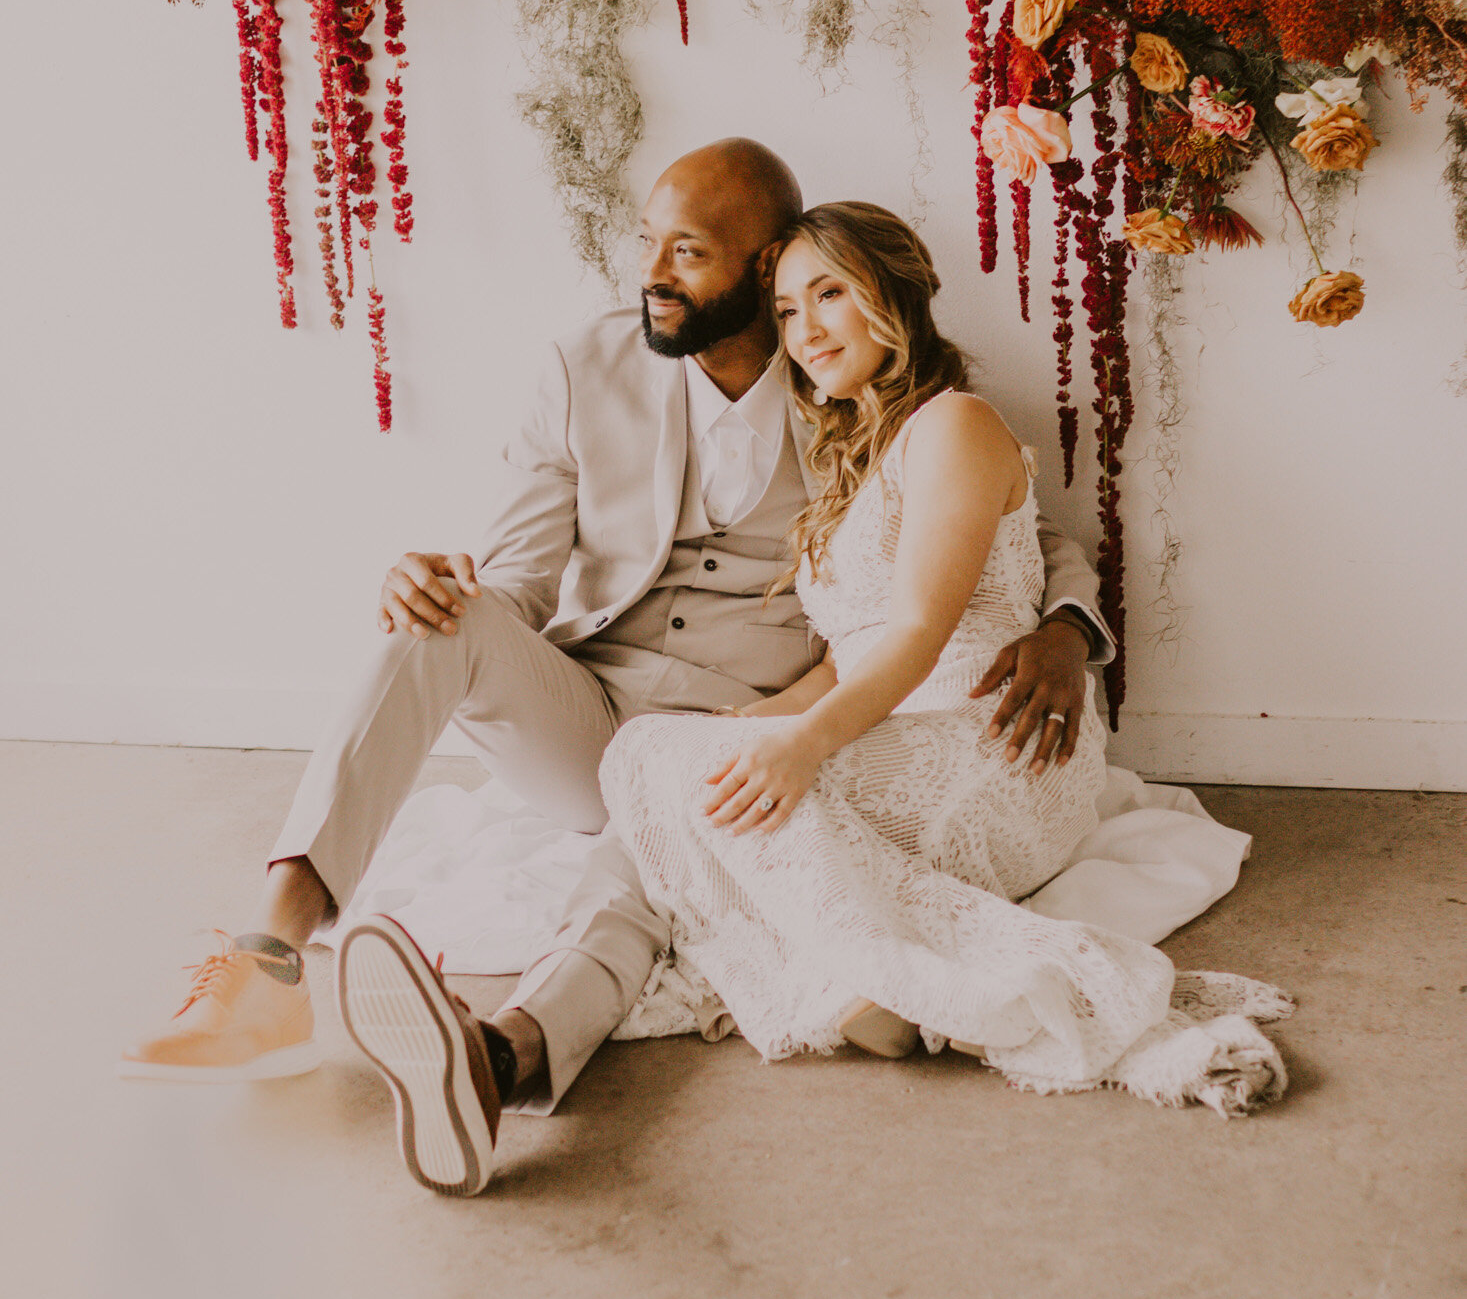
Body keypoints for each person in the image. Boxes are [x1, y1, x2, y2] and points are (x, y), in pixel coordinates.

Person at [120, 143, 1114, 1191]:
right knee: (438, 621)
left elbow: (996, 521)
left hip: (750, 717)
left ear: (763, 261)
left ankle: (499, 1059)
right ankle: (266, 964)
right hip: (590, 705)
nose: (652, 273)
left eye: (688, 251)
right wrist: (435, 587)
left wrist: (1064, 626)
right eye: (648, 242)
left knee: (660, 838)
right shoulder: (583, 367)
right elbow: (516, 580)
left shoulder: (846, 376)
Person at [596, 203, 1288, 1108]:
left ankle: (899, 985)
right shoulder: (849, 462)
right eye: (788, 310)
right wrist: (751, 726)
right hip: (892, 723)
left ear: (892, 293)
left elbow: (918, 633)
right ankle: (867, 989)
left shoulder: (954, 424)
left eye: (829, 295)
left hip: (995, 739)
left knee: (675, 776)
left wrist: (800, 744)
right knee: (664, 755)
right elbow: (844, 660)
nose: (805, 331)